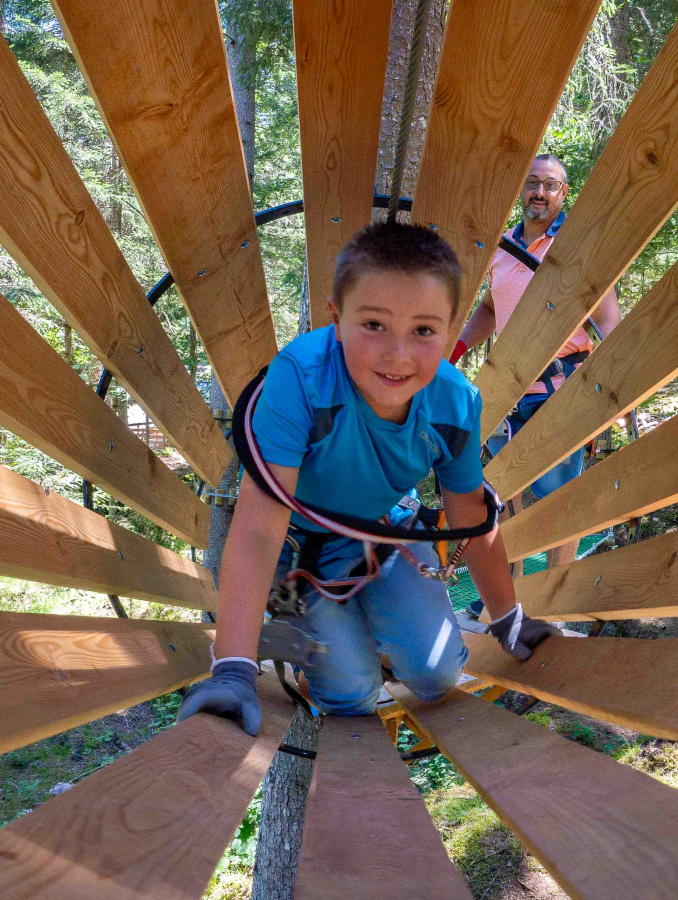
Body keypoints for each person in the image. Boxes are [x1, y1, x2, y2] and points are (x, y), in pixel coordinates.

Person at [177, 221, 559, 735]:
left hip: (386, 533)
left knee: (437, 675)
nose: (398, 355)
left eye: (424, 330)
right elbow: (258, 527)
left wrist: (508, 617)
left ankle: (372, 633)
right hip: (301, 551)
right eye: (374, 325)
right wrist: (234, 670)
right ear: (336, 320)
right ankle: (313, 638)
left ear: (451, 331)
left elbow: (471, 512)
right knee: (351, 694)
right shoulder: (301, 380)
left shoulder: (454, 402)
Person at [449, 153, 622, 610]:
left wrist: (616, 382)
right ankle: (504, 603)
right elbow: (490, 307)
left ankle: (554, 603)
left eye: (550, 185)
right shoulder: (503, 249)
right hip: (508, 390)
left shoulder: (574, 249)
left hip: (560, 388)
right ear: (521, 192)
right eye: (532, 184)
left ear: (563, 195)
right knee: (503, 498)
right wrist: (458, 349)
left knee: (558, 501)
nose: (539, 193)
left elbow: (608, 318)